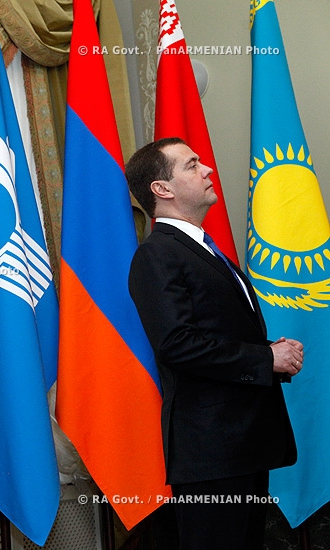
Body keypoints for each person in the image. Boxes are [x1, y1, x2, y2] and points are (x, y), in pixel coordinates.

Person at [126, 137, 303, 550]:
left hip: (244, 443)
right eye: (191, 165)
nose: (207, 170)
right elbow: (176, 344)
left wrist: (271, 351)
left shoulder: (203, 248)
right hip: (211, 452)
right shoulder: (157, 255)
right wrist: (265, 358)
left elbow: (215, 332)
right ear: (162, 189)